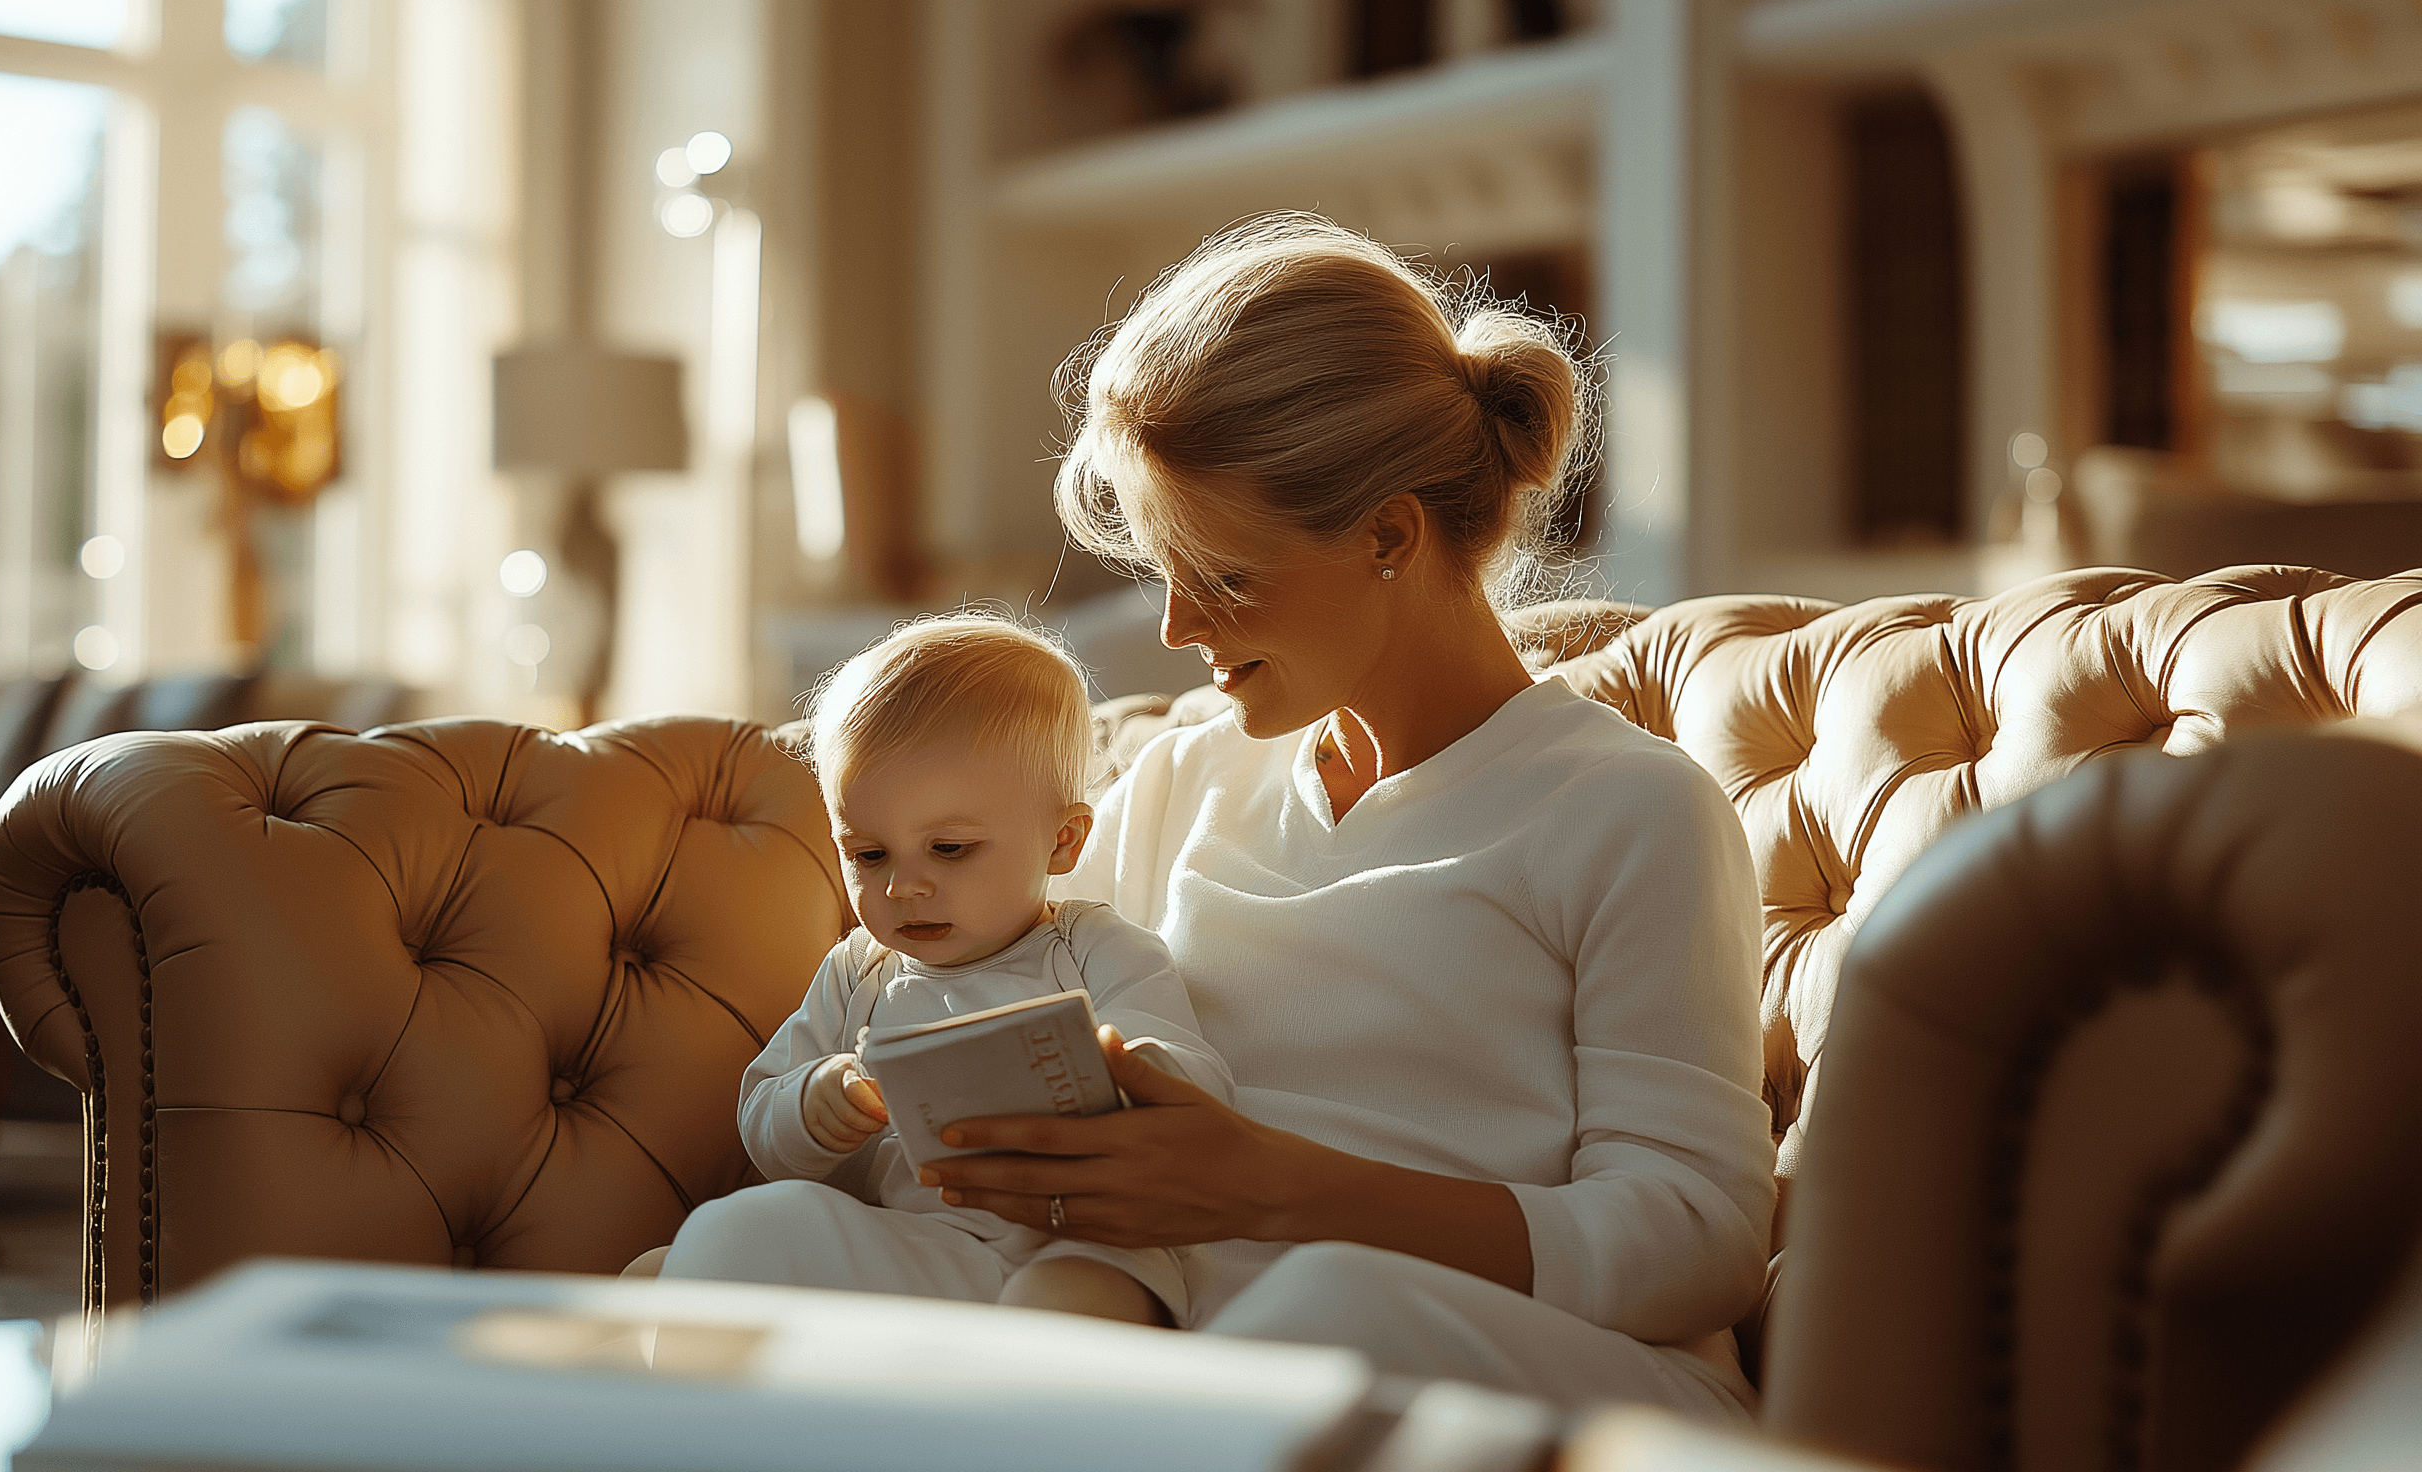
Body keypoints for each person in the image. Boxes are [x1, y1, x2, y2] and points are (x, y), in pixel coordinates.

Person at [665, 215, 1774, 1421]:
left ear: (1388, 537)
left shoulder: (1629, 810)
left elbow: (1695, 1238)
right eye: (1163, 571)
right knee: (754, 1244)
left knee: (1321, 1319)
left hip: (1506, 1360)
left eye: (1226, 576)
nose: (1176, 629)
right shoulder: (1182, 781)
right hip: (1179, 1330)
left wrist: (1277, 1192)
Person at [656, 613, 1233, 1328]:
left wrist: (1133, 1070)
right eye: (868, 855)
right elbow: (763, 1123)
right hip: (915, 1248)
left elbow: (1199, 1087)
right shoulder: (858, 972)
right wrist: (813, 1102)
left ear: (1063, 841)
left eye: (950, 849)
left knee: (1071, 1306)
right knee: (747, 1227)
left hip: (1081, 1244)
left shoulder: (1095, 946)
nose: (902, 887)